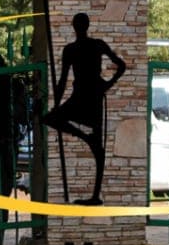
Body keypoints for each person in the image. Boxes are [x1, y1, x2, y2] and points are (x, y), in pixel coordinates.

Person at [42, 12, 126, 205]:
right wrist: (56, 103)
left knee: (98, 148)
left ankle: (95, 196)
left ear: (77, 26)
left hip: (92, 95)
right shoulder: (71, 49)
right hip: (80, 96)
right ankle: (87, 138)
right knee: (50, 118)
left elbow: (121, 65)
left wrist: (108, 84)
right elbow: (63, 80)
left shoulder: (95, 45)